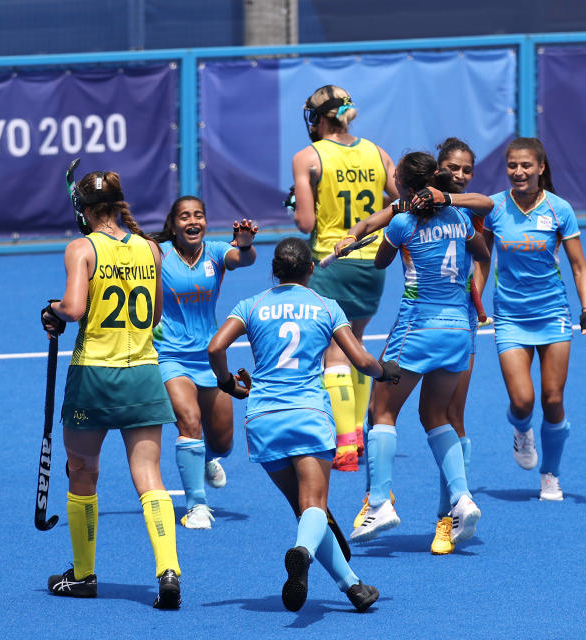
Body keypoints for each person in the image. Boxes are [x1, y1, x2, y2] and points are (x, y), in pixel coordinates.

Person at [207, 237, 399, 613]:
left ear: (274, 271)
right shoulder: (326, 306)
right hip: (308, 415)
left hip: (263, 420)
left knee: (305, 510)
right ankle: (302, 552)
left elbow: (215, 347)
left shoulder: (252, 305)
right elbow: (360, 360)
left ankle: (354, 587)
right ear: (311, 269)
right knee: (315, 505)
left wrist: (228, 383)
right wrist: (384, 372)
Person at [338, 138, 494, 554]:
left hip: (417, 328)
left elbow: (380, 262)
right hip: (458, 331)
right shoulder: (461, 219)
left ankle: (378, 503)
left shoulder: (403, 224)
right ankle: (462, 498)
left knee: (381, 411)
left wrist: (391, 228)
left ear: (406, 189)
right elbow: (479, 249)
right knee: (435, 415)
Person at [40, 167, 181, 609]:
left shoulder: (81, 248)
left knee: (83, 470)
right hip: (142, 373)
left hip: (94, 375)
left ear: (83, 209)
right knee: (150, 477)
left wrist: (52, 309)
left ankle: (83, 575)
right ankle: (168, 570)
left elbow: (76, 308)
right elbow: (156, 315)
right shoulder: (151, 250)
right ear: (119, 206)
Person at [482, 137, 586, 501]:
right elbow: (482, 259)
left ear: (541, 168)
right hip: (510, 317)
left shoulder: (559, 209)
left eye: (526, 166)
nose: (519, 172)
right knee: (522, 402)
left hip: (552, 315)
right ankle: (521, 431)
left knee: (552, 399)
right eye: (512, 166)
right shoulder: (495, 208)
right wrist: (474, 300)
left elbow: (579, 267)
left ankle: (551, 474)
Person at [290, 84, 398, 472]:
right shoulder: (376, 152)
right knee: (357, 340)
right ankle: (356, 432)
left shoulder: (308, 157)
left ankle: (345, 443)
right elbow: (398, 200)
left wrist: (299, 204)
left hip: (332, 260)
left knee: (334, 349)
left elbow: (306, 222)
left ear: (320, 118)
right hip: (374, 261)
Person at [150, 196, 258, 529]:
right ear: (174, 223)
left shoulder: (214, 251)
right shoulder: (160, 253)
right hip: (170, 355)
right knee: (189, 420)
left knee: (223, 441)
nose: (192, 221)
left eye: (199, 215)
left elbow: (243, 258)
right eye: (185, 216)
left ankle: (208, 459)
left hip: (209, 356)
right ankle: (196, 505)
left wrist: (246, 243)